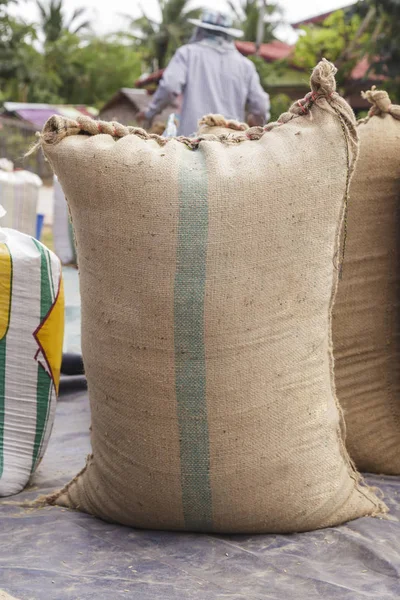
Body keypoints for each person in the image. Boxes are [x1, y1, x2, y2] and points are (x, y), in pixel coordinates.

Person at [138, 10, 270, 137]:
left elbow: (169, 87)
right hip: (231, 146)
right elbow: (260, 106)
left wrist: (150, 112)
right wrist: (258, 125)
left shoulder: (187, 54)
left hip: (192, 142)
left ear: (201, 30)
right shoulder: (245, 65)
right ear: (228, 34)